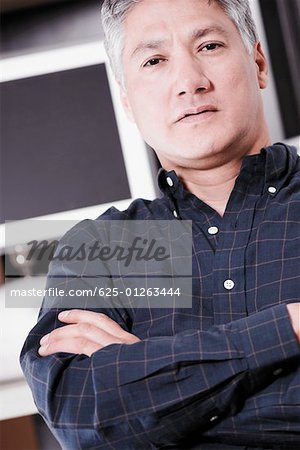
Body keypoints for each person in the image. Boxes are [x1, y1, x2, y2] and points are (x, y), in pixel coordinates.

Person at [20, 0, 300, 449]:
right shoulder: (104, 247)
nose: (190, 82)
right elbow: (82, 415)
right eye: (154, 60)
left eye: (208, 45)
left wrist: (149, 382)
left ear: (259, 63)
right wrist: (288, 329)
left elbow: (119, 421)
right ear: (128, 100)